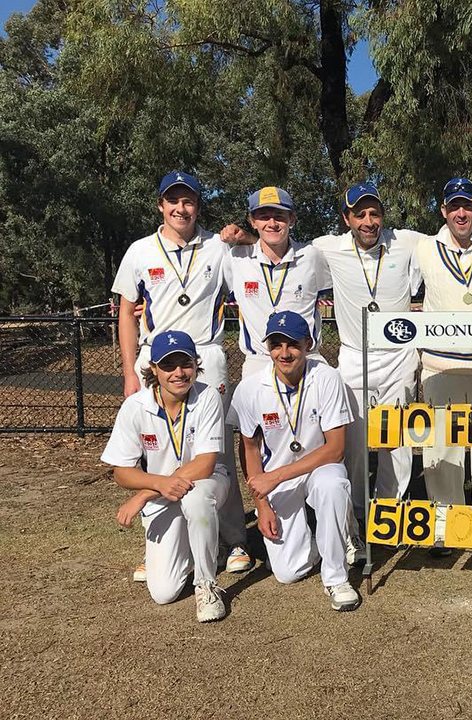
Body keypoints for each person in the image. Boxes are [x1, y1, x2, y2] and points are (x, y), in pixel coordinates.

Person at [311, 183, 472, 554]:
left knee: (402, 443)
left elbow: (465, 232)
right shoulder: (327, 248)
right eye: (360, 214)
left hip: (402, 356)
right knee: (355, 445)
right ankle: (356, 518)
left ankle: (391, 514)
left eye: (374, 213)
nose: (368, 221)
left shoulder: (409, 242)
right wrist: (240, 235)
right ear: (346, 218)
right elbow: (281, 247)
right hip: (356, 356)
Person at [111, 171, 250, 581]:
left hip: (205, 354)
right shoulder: (139, 251)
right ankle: (158, 540)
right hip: (156, 358)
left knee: (217, 450)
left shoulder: (218, 247)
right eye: (173, 201)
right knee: (154, 453)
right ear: (160, 205)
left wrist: (241, 238)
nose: (180, 208)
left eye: (188, 201)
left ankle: (233, 538)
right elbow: (126, 312)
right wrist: (129, 373)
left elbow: (257, 260)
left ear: (197, 206)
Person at [230, 311, 360, 611]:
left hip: (319, 467)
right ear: (267, 347)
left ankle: (336, 576)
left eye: (293, 345)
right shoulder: (250, 388)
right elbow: (249, 448)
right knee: (289, 572)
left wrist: (274, 478)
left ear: (308, 344)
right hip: (277, 477)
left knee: (333, 485)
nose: (284, 353)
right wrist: (261, 505)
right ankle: (321, 542)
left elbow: (336, 449)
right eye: (276, 345)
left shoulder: (326, 378)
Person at [101, 331, 230, 623]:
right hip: (163, 494)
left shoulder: (208, 395)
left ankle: (207, 584)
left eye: (185, 363)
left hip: (206, 483)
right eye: (168, 365)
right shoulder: (135, 407)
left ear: (196, 364)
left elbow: (206, 463)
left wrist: (145, 493)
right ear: (154, 369)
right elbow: (121, 472)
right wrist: (159, 485)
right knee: (164, 593)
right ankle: (202, 545)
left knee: (196, 499)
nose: (178, 373)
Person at [416, 178, 472, 551]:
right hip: (439, 365)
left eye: (468, 206)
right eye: (454, 206)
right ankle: (449, 527)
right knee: (441, 451)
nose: (461, 213)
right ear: (443, 210)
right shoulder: (423, 247)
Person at [223, 187, 332, 379]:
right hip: (259, 363)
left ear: (292, 219)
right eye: (264, 216)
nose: (272, 223)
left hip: (306, 360)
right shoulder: (237, 258)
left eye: (279, 216)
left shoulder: (311, 256)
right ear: (252, 221)